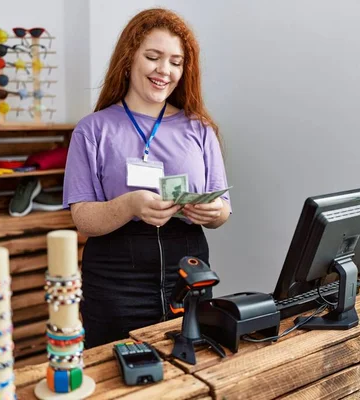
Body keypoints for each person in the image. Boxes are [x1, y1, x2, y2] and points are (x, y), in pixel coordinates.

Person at [62, 8, 231, 348]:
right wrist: (129, 205)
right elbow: (82, 218)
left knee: (187, 369)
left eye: (175, 62)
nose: (164, 71)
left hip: (189, 271)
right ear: (129, 59)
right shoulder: (92, 130)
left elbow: (223, 208)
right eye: (153, 57)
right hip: (114, 280)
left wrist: (215, 213)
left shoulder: (200, 129)